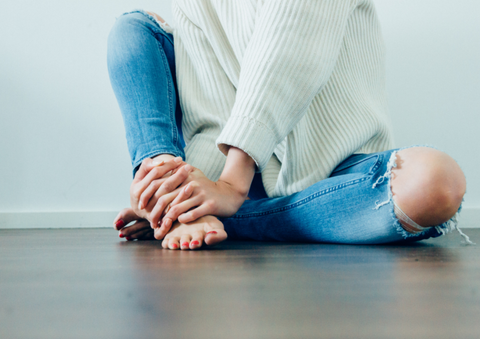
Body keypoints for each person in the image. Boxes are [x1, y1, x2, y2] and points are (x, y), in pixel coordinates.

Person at [107, 1, 471, 250]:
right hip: (240, 172)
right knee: (134, 31)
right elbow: (211, 111)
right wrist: (188, 191)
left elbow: (287, 50)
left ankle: (225, 219)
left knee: (436, 182)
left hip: (335, 171)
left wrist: (231, 187)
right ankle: (162, 193)